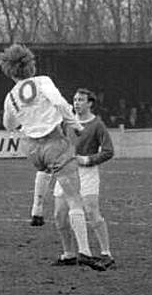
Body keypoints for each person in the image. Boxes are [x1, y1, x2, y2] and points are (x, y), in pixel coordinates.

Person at [0, 43, 106, 271]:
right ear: (30, 65)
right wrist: (75, 124)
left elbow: (9, 124)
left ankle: (38, 209)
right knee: (74, 198)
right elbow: (59, 103)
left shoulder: (10, 97)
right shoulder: (43, 81)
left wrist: (26, 121)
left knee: (45, 171)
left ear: (9, 71)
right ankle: (84, 251)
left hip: (32, 149)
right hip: (54, 143)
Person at [52, 88, 116, 269]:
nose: (77, 103)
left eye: (81, 100)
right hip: (66, 171)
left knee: (91, 211)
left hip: (87, 173)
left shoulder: (97, 125)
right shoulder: (66, 123)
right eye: (75, 99)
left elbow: (108, 151)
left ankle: (106, 253)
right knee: (60, 215)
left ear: (90, 103)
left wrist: (87, 159)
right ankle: (69, 254)